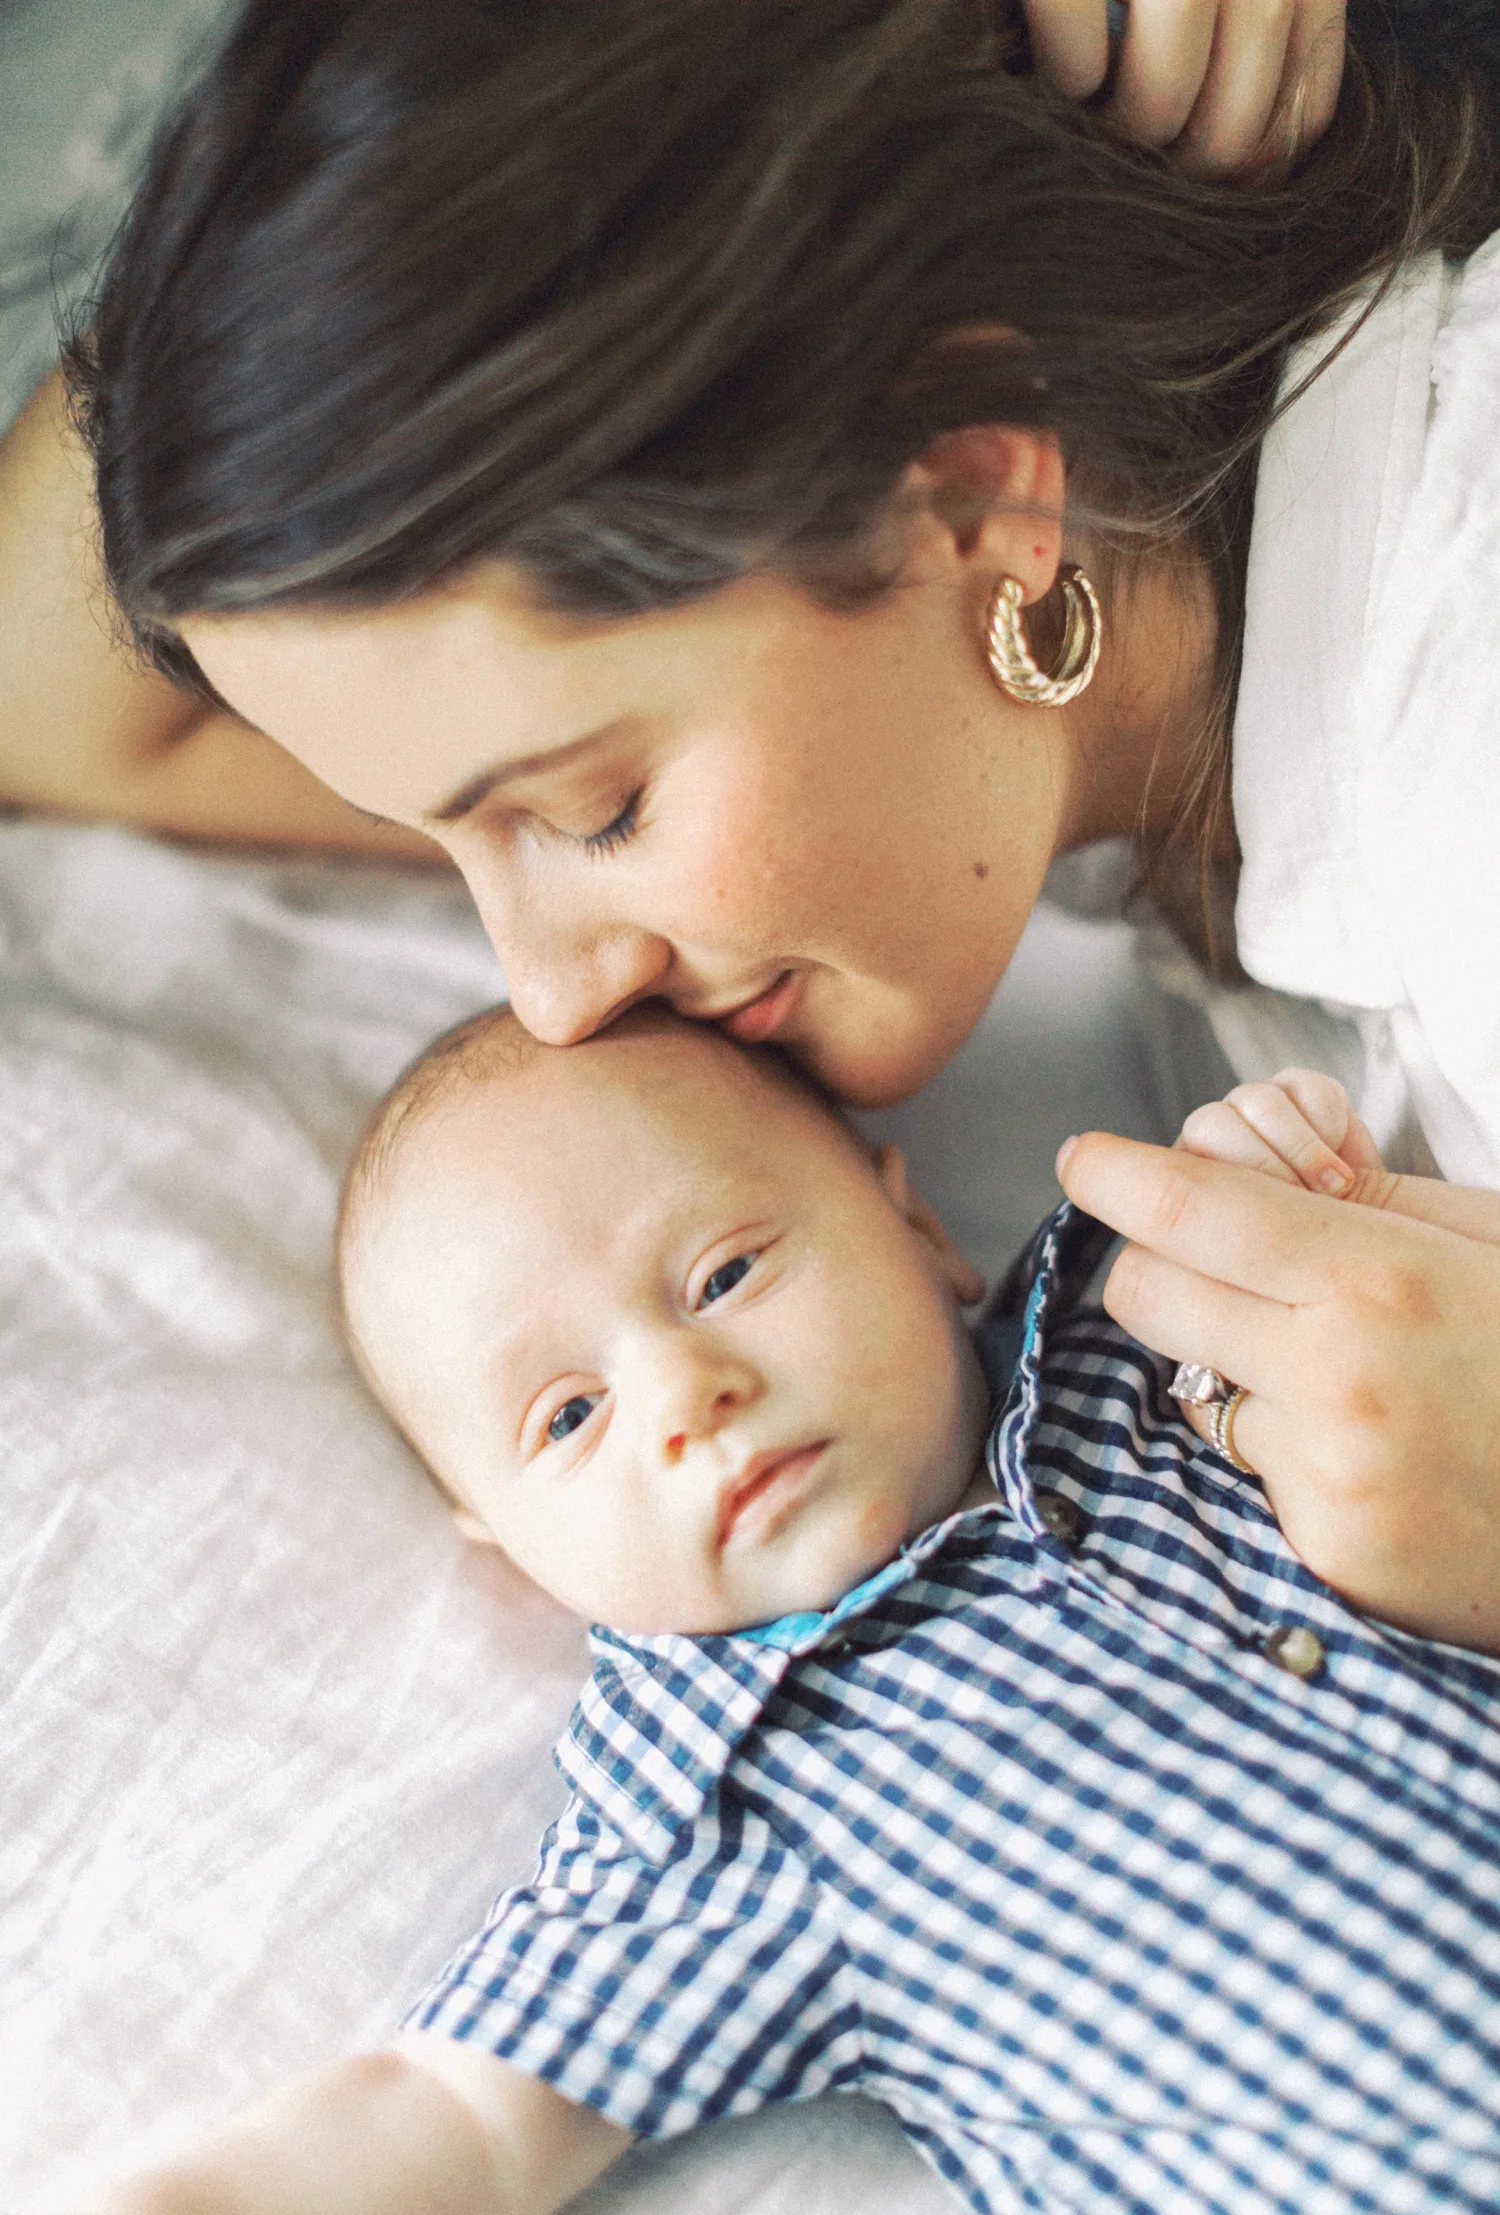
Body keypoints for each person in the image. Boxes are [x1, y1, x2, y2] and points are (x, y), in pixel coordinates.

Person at [4, 0, 1500, 1856]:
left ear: (973, 493)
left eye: (593, 809)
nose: (550, 993)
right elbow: (50, 693)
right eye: (447, 840)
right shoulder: (1136, 749)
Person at [8, 1005, 1498, 2215]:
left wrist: (1287, 1170)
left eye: (725, 1273)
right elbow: (450, 2118)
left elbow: (1372, 1308)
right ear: (509, 1540)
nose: (683, 1388)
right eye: (570, 1415)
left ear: (916, 1227)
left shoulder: (1142, 1323)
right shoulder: (721, 1805)